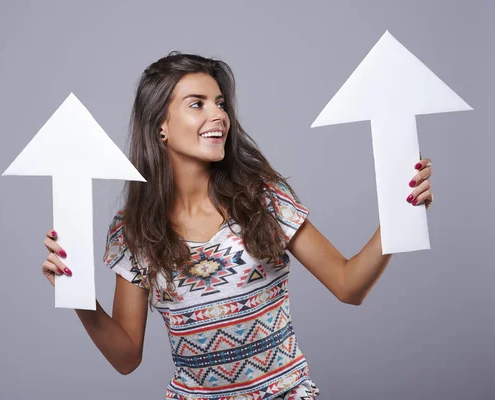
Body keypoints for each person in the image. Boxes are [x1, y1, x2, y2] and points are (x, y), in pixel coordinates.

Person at [40, 52, 434, 400]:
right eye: (197, 104)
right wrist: (76, 295)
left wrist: (403, 212)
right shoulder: (134, 231)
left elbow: (349, 286)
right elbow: (127, 357)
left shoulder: (262, 196)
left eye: (220, 103)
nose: (219, 116)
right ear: (160, 125)